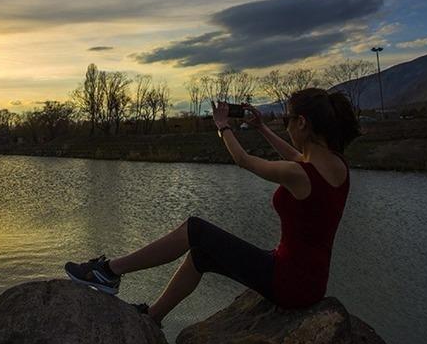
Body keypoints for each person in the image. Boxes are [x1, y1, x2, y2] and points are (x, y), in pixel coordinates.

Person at [64, 88, 361, 328]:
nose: (286, 126)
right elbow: (299, 156)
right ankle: (153, 317)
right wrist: (260, 128)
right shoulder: (337, 167)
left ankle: (109, 271)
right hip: (309, 282)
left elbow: (244, 161)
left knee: (194, 229)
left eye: (287, 121)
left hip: (288, 282)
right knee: (201, 254)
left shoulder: (299, 174)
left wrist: (223, 127)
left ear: (302, 123)